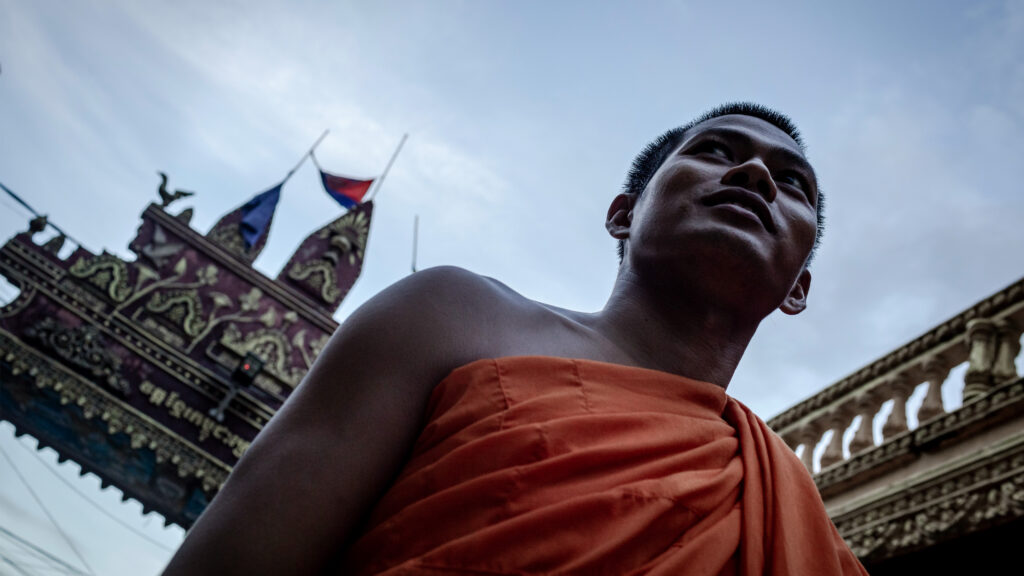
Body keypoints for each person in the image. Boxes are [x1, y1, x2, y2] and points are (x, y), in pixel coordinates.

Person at [163, 102, 868, 575]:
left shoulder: (786, 522)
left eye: (792, 183)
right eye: (716, 150)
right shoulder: (452, 316)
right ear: (623, 214)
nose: (754, 176)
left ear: (798, 288)